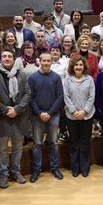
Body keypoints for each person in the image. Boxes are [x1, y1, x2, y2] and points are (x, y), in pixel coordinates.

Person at [0, 49, 31, 189]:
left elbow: (28, 94)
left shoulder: (23, 75)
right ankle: (3, 174)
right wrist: (6, 110)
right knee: (2, 150)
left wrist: (17, 109)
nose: (6, 58)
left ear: (14, 58)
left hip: (19, 117)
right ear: (1, 58)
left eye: (9, 56)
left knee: (17, 148)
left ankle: (16, 171)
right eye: (4, 56)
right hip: (2, 117)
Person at [28, 52, 64, 183]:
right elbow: (30, 98)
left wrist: (50, 113)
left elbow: (60, 96)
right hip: (37, 116)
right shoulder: (32, 78)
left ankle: (55, 168)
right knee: (37, 143)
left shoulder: (56, 78)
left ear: (51, 62)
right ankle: (36, 169)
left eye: (48, 61)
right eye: (44, 61)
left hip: (53, 115)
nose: (46, 63)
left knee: (54, 142)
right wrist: (40, 113)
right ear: (40, 61)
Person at [63, 56, 96, 177]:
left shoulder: (89, 79)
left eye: (80, 65)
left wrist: (84, 111)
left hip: (87, 116)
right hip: (71, 117)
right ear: (72, 67)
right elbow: (66, 97)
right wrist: (73, 111)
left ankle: (85, 167)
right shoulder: (67, 80)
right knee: (74, 142)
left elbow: (92, 97)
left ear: (84, 66)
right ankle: (75, 168)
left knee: (85, 142)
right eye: (76, 65)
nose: (78, 67)